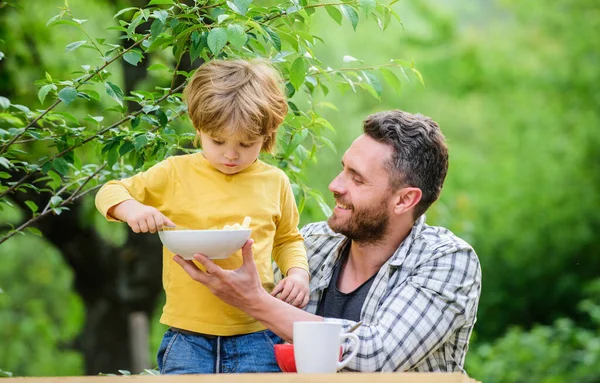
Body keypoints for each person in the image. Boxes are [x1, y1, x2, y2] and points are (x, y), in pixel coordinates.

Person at [174, 110, 482, 373]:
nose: (335, 185)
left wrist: (254, 301)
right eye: (343, 169)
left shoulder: (447, 260)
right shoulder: (310, 244)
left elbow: (377, 355)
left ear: (404, 200)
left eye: (357, 178)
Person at [95, 59, 310, 374]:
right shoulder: (175, 172)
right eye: (218, 141)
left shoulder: (274, 181)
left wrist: (297, 275)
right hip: (188, 337)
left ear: (268, 133)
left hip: (256, 333)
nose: (231, 154)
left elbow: (289, 238)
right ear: (198, 127)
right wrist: (133, 210)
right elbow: (109, 192)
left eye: (246, 143)